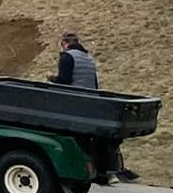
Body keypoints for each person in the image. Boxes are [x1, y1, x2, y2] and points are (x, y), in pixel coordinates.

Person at [51, 32, 138, 182]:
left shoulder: (67, 57)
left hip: (75, 102)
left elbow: (64, 82)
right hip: (90, 102)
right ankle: (105, 171)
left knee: (76, 136)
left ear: (64, 43)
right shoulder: (88, 58)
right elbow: (94, 84)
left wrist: (52, 79)